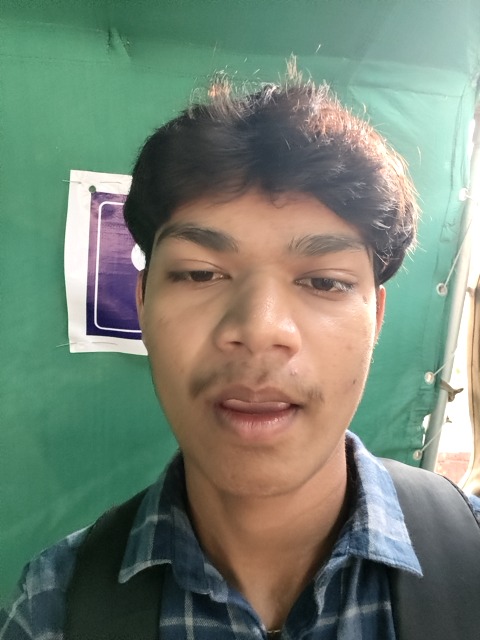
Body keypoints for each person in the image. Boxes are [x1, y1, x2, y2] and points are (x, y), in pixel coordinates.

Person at [1, 75, 479, 640]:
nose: (259, 330)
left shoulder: (469, 555)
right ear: (143, 302)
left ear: (375, 317)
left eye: (324, 281)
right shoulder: (54, 607)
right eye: (200, 273)